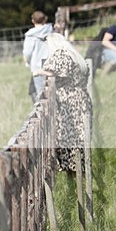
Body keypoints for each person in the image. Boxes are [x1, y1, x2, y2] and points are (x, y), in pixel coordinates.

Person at [33, 33, 92, 172]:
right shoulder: (73, 54)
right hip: (79, 98)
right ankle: (78, 167)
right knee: (78, 134)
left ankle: (70, 167)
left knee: (67, 132)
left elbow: (57, 71)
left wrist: (39, 72)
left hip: (69, 101)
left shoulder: (61, 54)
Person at [22, 10, 53, 102]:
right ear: (45, 19)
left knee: (41, 94)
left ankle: (45, 114)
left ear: (33, 21)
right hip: (51, 64)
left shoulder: (31, 35)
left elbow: (27, 52)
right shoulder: (51, 30)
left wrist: (27, 61)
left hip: (38, 67)